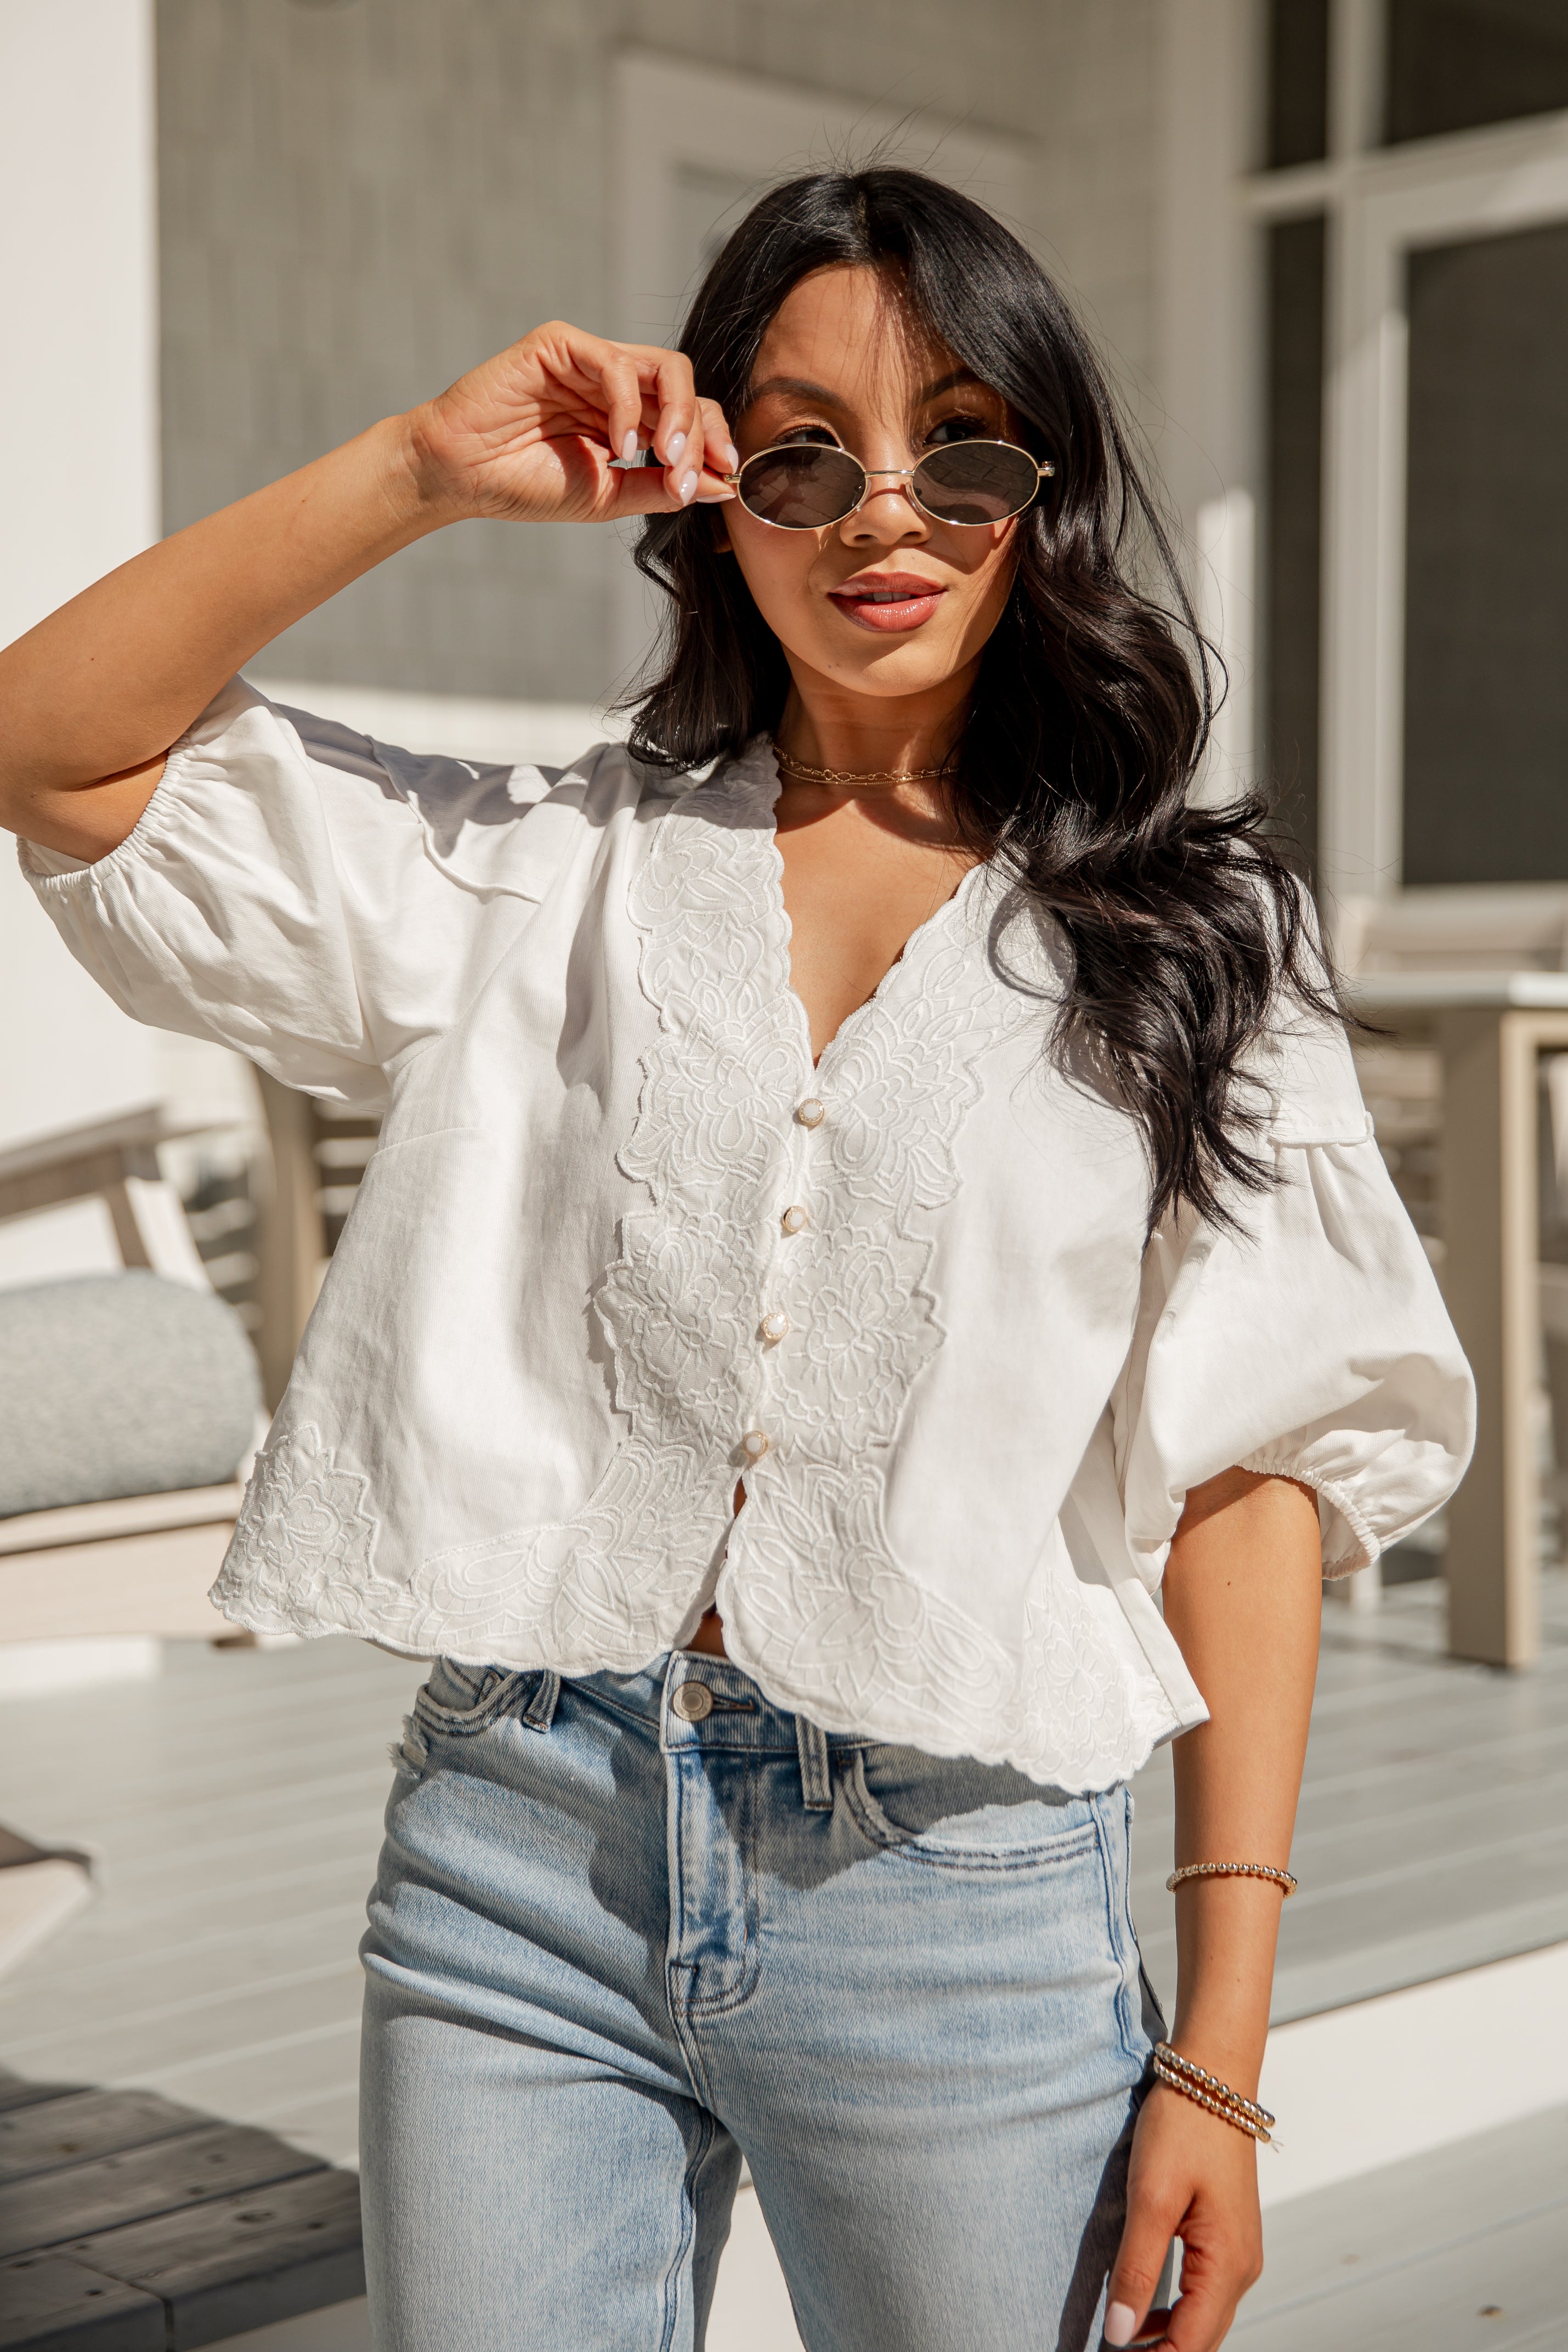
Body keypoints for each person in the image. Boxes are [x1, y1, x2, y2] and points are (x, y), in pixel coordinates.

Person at [0, 169, 1471, 2352]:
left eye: (962, 449)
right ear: (711, 503)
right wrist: (418, 467)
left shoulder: (1189, 935)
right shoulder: (536, 873)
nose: (883, 514)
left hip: (954, 1888)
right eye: (800, 453)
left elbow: (1256, 1475)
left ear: (1043, 493)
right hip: (516, 1855)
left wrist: (1220, 2053)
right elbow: (50, 744)